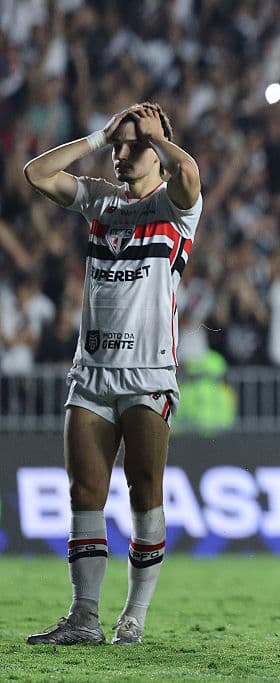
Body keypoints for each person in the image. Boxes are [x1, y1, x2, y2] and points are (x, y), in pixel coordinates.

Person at [22, 103, 202, 645]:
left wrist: (158, 137)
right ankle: (84, 617)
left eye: (135, 146)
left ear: (158, 153)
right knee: (85, 492)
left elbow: (190, 175)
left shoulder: (175, 208)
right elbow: (36, 173)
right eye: (118, 146)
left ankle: (134, 618)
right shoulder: (100, 200)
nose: (122, 155)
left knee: (145, 492)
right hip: (93, 372)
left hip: (148, 373)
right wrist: (100, 135)